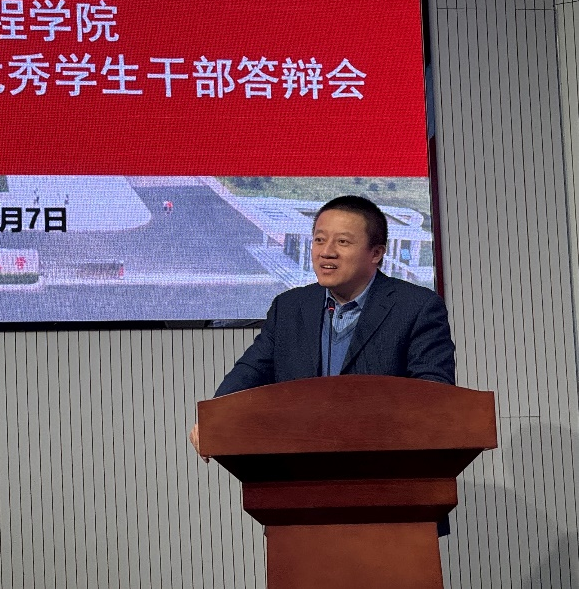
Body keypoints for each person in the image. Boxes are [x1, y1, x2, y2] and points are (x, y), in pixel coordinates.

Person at [189, 194, 455, 458]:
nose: (326, 252)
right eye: (319, 239)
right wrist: (214, 419)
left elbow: (433, 394)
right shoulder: (290, 307)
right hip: (298, 463)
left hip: (385, 463)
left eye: (343, 242)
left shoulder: (417, 307)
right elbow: (251, 371)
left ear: (376, 253)